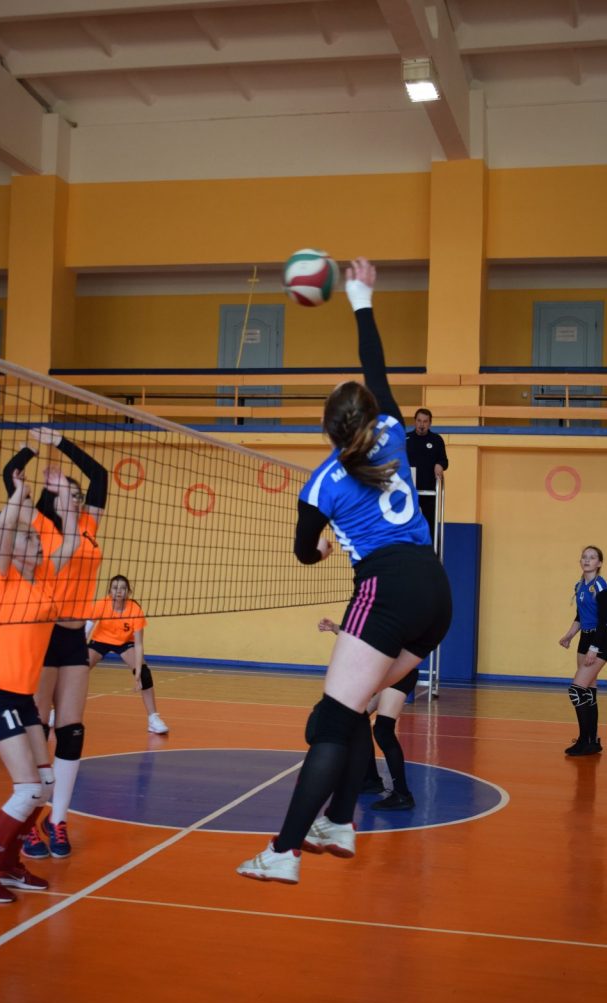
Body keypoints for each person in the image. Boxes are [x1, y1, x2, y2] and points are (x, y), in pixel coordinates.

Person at [237, 258, 452, 884]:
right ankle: (337, 821)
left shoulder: (321, 484)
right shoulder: (393, 431)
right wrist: (360, 296)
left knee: (328, 721)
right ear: (369, 413)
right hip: (435, 591)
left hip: (384, 589)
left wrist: (327, 551)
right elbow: (376, 366)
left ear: (329, 427)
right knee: (352, 710)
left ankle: (283, 852)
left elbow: (303, 554)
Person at [0, 468, 79, 903]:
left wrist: (64, 495)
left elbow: (71, 541)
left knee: (46, 786)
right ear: (13, 551)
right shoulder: (4, 579)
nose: (36, 541)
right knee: (28, 788)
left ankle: (10, 865)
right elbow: (3, 530)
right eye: (28, 538)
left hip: (23, 699)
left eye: (36, 537)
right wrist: (20, 495)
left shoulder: (46, 580)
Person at [2, 427, 108, 860]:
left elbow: (100, 475)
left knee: (72, 729)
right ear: (53, 496)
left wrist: (60, 441)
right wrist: (33, 446)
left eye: (78, 494)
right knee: (37, 727)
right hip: (42, 633)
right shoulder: (40, 525)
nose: (76, 497)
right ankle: (29, 823)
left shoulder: (89, 525)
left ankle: (57, 820)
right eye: (68, 491)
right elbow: (10, 473)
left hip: (74, 636)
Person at [318, 617, 416, 809]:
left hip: (399, 674)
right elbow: (362, 636)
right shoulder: (378, 616)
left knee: (383, 731)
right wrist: (335, 628)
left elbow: (373, 639)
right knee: (357, 720)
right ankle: (371, 780)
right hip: (382, 674)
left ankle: (402, 795)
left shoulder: (399, 617)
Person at [86, 575, 169, 735]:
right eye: (115, 588)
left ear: (128, 592)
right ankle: (60, 712)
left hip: (125, 643)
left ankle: (153, 719)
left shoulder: (135, 610)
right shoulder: (101, 604)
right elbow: (87, 627)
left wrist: (137, 672)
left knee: (144, 674)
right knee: (77, 670)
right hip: (100, 640)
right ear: (110, 591)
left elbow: (138, 644)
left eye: (123, 588)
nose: (119, 591)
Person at [558, 545, 607, 757]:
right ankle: (592, 741)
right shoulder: (579, 585)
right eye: (584, 557)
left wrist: (594, 648)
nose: (587, 560)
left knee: (576, 690)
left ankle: (584, 740)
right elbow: (580, 616)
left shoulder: (601, 585)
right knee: (588, 691)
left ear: (599, 563)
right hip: (584, 639)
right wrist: (569, 635)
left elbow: (602, 620)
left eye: (592, 557)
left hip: (600, 639)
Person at [406, 407, 448, 542]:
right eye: (419, 421)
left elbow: (444, 461)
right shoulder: (406, 439)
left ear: (430, 423)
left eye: (425, 421)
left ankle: (431, 552)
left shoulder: (436, 440)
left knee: (430, 526)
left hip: (429, 492)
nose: (421, 424)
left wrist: (439, 465)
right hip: (408, 492)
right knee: (407, 525)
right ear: (415, 421)